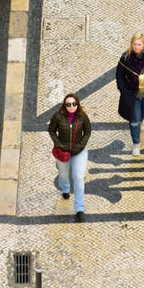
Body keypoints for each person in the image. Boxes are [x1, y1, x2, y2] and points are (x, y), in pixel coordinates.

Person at [116, 33, 144, 155]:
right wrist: (123, 89)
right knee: (134, 120)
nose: (136, 47)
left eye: (139, 44)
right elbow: (119, 75)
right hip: (132, 94)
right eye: (134, 44)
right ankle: (136, 143)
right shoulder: (125, 58)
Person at [48, 92, 91, 221]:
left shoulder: (83, 117)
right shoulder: (58, 117)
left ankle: (79, 208)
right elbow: (51, 130)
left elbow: (88, 131)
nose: (71, 106)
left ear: (78, 104)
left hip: (79, 152)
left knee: (78, 177)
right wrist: (58, 144)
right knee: (63, 174)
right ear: (64, 105)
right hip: (63, 152)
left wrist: (81, 144)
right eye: (68, 104)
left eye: (74, 104)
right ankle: (65, 189)